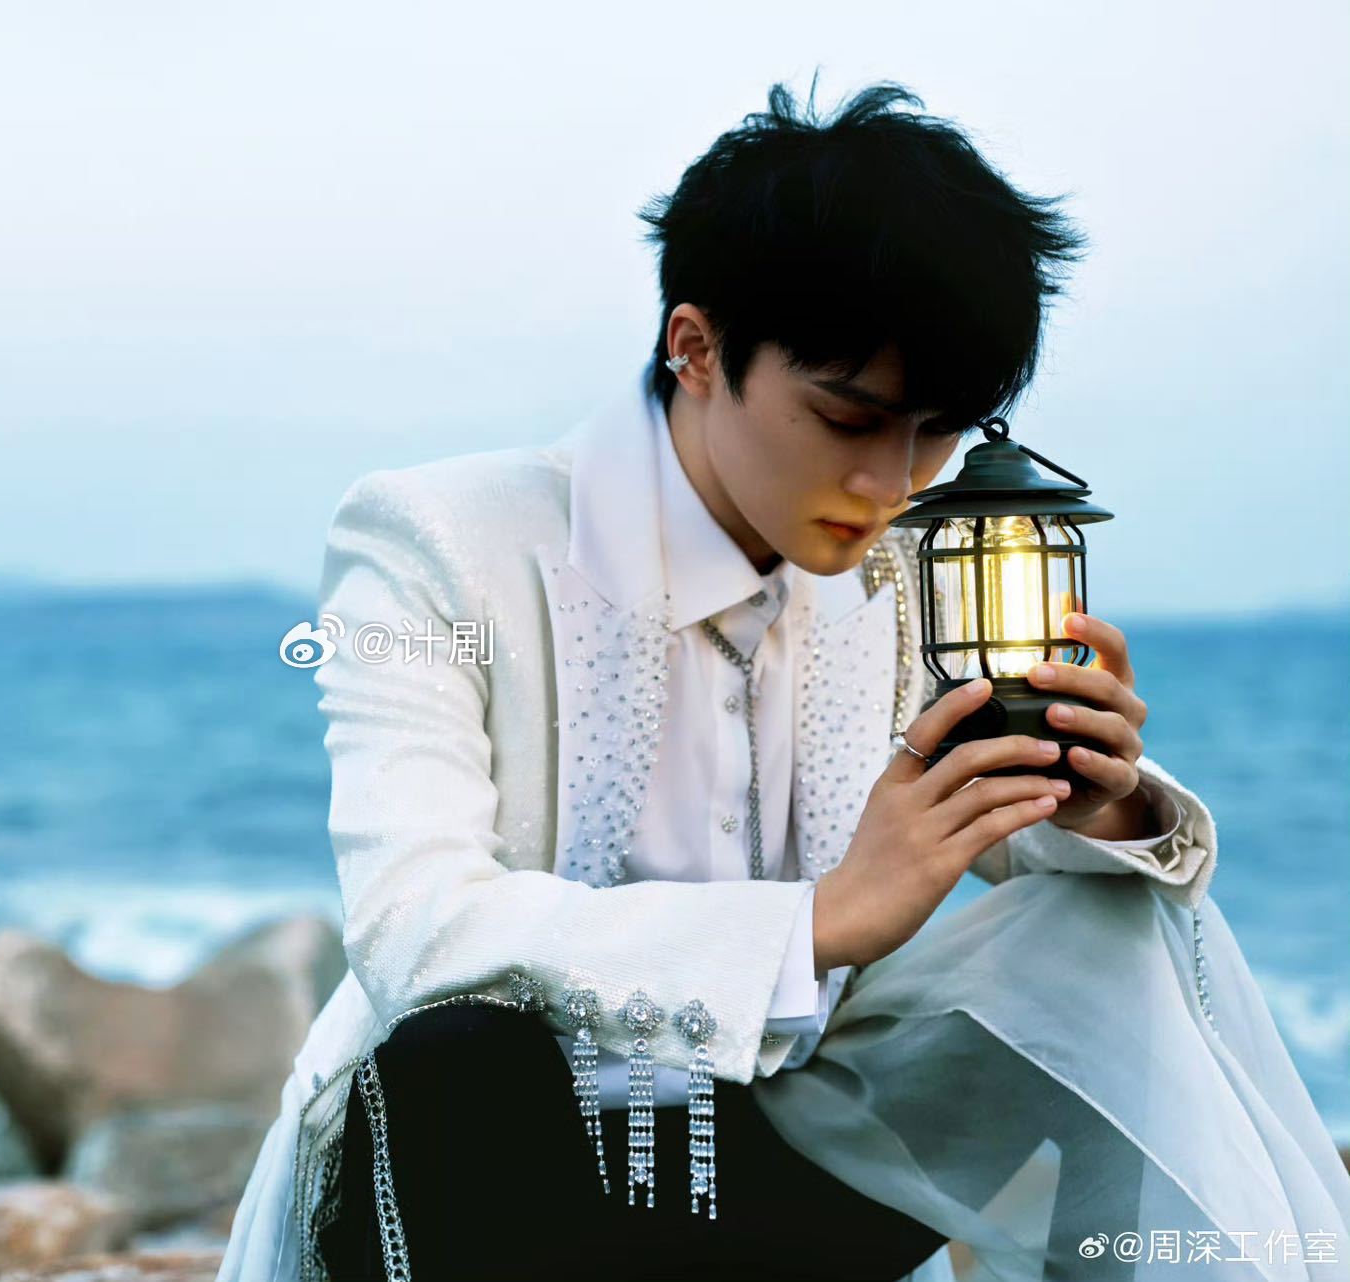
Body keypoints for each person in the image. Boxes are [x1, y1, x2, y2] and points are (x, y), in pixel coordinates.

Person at [218, 83, 1350, 1282]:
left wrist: (1098, 800)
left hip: (784, 1155)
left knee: (1111, 929)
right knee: (458, 1053)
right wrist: (817, 921)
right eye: (849, 417)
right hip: (482, 1166)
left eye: (936, 431)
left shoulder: (909, 566)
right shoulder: (441, 539)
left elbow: (1051, 863)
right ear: (695, 348)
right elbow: (415, 927)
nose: (893, 481)